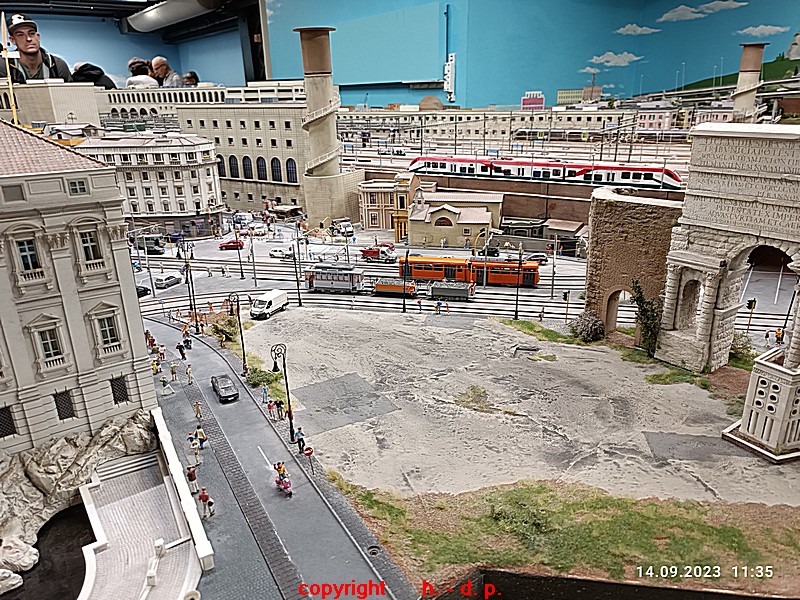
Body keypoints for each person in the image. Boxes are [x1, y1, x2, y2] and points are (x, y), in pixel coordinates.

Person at [0, 14, 71, 84]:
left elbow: (70, 90)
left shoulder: (56, 65)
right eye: (20, 35)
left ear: (38, 36)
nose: (28, 39)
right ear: (13, 40)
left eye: (31, 33)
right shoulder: (5, 66)